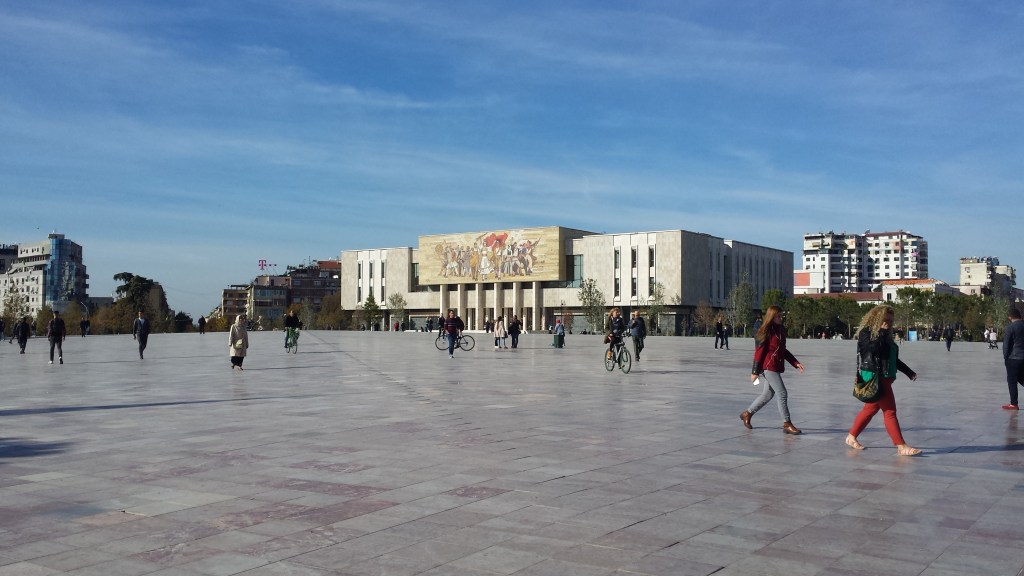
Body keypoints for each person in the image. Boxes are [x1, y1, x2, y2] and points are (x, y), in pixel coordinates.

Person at [845, 305, 921, 456]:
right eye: (885, 320)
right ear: (876, 318)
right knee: (890, 412)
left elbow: (893, 359)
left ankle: (851, 437)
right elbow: (871, 350)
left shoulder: (886, 336)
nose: (888, 323)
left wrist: (909, 372)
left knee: (870, 409)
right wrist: (881, 333)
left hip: (886, 378)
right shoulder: (866, 333)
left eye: (891, 320)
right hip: (877, 378)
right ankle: (901, 446)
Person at [740, 305, 805, 434]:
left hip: (775, 366)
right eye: (778, 316)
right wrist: (754, 372)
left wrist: (795, 363)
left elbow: (783, 350)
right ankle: (787, 423)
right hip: (768, 367)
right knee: (782, 393)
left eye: (781, 316)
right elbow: (759, 352)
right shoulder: (765, 331)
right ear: (772, 317)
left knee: (767, 395)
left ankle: (747, 413)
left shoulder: (779, 331)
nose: (781, 318)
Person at [1002, 306, 1024, 410]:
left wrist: (1005, 358)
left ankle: (1014, 404)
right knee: (1021, 378)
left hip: (1013, 358)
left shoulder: (1011, 327)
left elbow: (1006, 345)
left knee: (1012, 380)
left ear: (1010, 317)